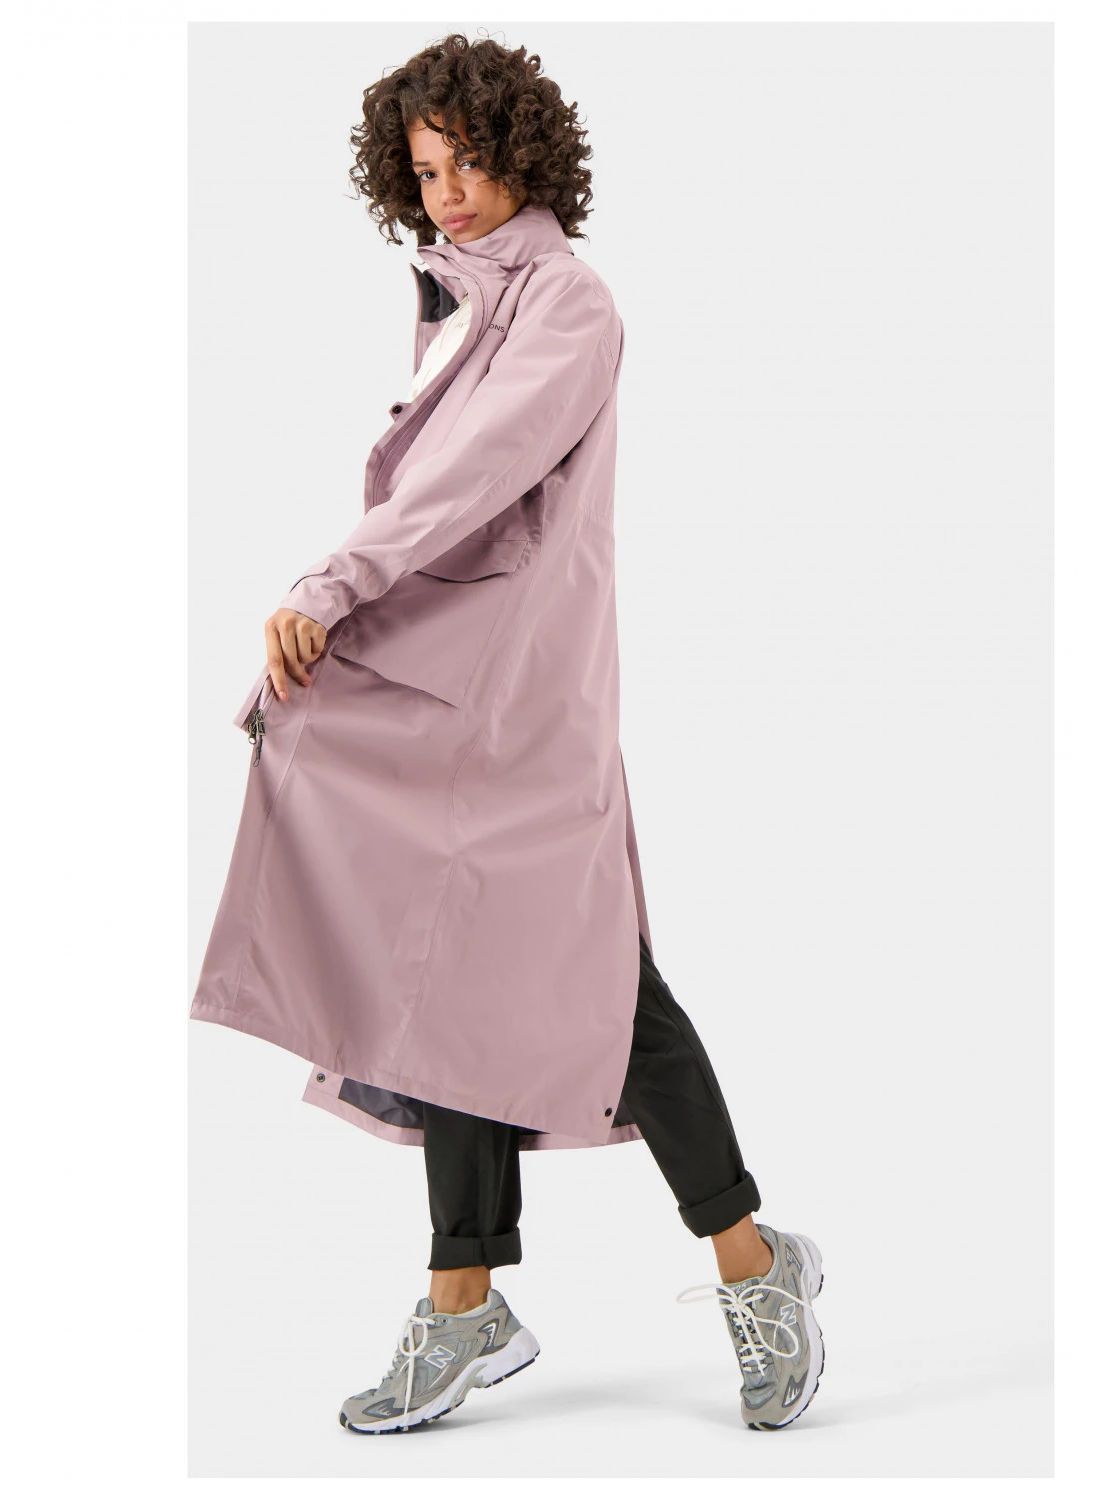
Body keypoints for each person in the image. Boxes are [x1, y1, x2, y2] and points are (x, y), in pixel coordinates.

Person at [190, 32, 826, 1434]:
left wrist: (331, 582)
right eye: (426, 174)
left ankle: (754, 1260)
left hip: (526, 703)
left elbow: (472, 479)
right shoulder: (461, 298)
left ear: (526, 153)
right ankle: (466, 1301)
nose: (451, 194)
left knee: (605, 984)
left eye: (470, 162)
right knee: (446, 985)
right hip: (442, 690)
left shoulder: (569, 306)